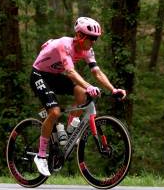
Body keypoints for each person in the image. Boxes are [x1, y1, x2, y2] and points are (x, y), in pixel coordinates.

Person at [30, 17, 126, 176]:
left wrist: (113, 89)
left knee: (82, 93)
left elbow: (97, 72)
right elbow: (71, 72)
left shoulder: (87, 50)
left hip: (54, 76)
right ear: (81, 36)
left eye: (96, 38)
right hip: (39, 75)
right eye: (92, 38)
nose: (94, 41)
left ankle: (68, 132)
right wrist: (89, 86)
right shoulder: (64, 45)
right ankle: (40, 156)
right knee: (54, 112)